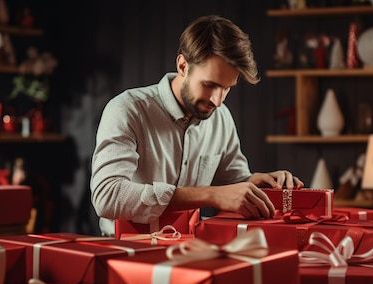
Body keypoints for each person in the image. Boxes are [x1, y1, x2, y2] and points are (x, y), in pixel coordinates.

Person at [90, 15, 304, 236]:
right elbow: (107, 196)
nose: (217, 101)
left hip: (190, 249)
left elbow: (232, 182)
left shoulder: (221, 117)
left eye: (227, 88)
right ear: (183, 66)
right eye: (209, 85)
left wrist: (254, 182)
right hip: (125, 252)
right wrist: (209, 195)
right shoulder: (128, 109)